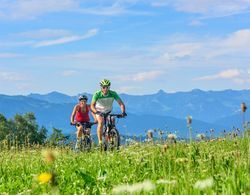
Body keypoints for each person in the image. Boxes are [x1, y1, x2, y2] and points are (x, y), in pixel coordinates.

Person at [91, 79, 127, 145]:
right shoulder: (97, 94)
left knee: (112, 121)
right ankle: (100, 141)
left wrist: (123, 112)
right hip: (99, 111)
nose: (105, 89)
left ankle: (112, 135)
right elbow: (92, 106)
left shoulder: (113, 93)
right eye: (103, 87)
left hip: (108, 111)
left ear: (109, 87)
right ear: (101, 87)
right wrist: (96, 112)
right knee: (101, 122)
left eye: (107, 87)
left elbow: (121, 103)